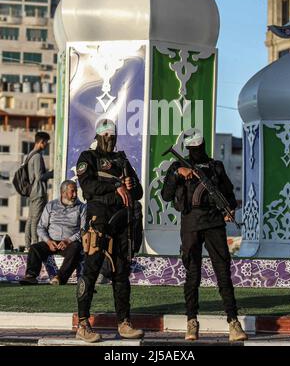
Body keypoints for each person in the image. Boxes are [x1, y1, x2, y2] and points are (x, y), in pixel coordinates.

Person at [161, 132, 248, 342]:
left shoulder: (216, 167)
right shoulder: (177, 167)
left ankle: (233, 321)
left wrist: (229, 210)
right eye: (193, 147)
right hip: (191, 224)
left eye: (199, 146)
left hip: (214, 224)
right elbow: (165, 195)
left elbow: (229, 194)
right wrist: (177, 175)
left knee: (222, 272)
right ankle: (191, 321)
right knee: (192, 274)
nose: (196, 150)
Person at [75, 119, 144, 343]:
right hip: (99, 217)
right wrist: (116, 185)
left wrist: (130, 185)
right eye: (105, 136)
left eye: (112, 136)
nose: (109, 140)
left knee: (121, 272)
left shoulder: (121, 159)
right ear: (97, 136)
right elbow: (88, 187)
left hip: (122, 220)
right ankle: (83, 324)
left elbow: (139, 191)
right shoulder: (88, 157)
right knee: (91, 268)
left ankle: (124, 322)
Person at [20, 180, 86, 285]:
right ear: (63, 193)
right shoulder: (51, 205)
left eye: (76, 192)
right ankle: (30, 276)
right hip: (51, 242)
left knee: (76, 249)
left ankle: (60, 278)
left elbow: (83, 230)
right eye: (72, 192)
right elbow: (41, 227)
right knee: (35, 248)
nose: (75, 195)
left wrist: (68, 241)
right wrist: (48, 241)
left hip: (70, 243)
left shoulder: (82, 207)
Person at [25, 131, 53, 250]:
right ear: (41, 142)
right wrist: (51, 173)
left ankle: (28, 245)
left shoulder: (30, 154)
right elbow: (39, 176)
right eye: (46, 142)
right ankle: (34, 245)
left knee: (31, 219)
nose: (46, 145)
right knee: (35, 219)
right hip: (38, 192)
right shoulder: (37, 156)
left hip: (32, 192)